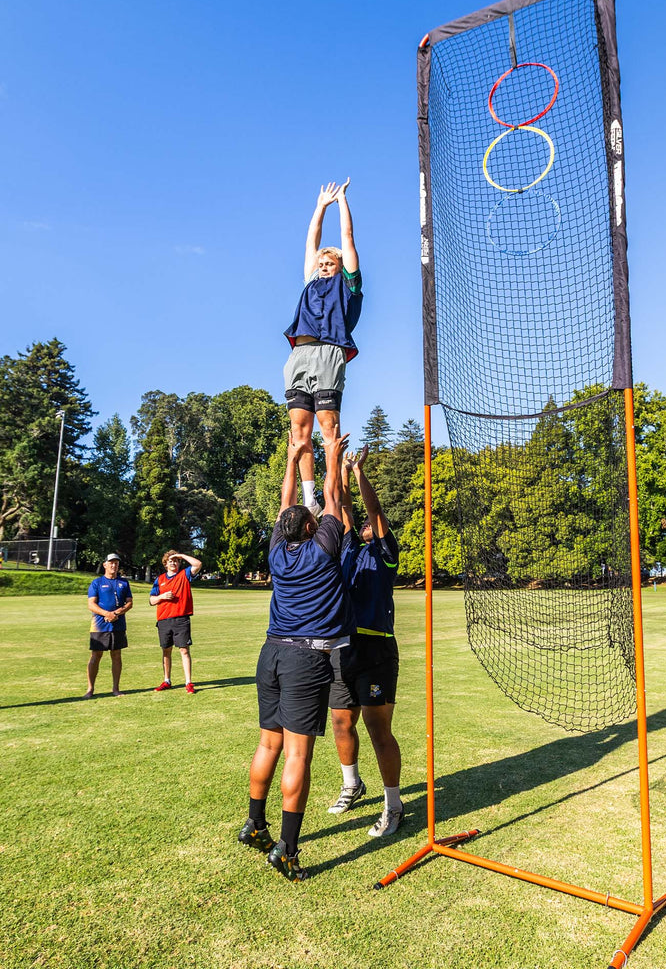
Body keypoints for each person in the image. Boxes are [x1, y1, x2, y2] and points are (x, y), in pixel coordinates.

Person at [237, 431, 357, 881]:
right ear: (309, 526)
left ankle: (255, 824)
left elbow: (289, 501)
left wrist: (292, 460)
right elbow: (331, 495)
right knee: (297, 756)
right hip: (306, 660)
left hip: (270, 653)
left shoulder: (276, 552)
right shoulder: (324, 547)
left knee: (268, 742)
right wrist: (330, 454)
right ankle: (286, 848)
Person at [328, 445, 404, 838]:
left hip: (377, 650)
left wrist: (358, 473)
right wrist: (340, 469)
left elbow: (372, 512)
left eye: (373, 526)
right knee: (342, 723)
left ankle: (394, 806)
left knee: (378, 730)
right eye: (363, 527)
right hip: (342, 646)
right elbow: (341, 508)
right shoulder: (349, 550)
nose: (367, 527)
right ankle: (352, 784)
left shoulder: (385, 554)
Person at [283, 180, 362, 517]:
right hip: (299, 356)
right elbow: (310, 242)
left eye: (329, 262)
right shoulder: (311, 282)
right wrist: (320, 206)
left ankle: (333, 496)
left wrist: (341, 201)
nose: (323, 265)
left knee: (328, 428)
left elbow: (348, 239)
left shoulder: (348, 285)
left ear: (340, 266)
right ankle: (310, 498)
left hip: (329, 354)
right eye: (321, 263)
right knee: (299, 433)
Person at [149, 550, 202, 694]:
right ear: (165, 564)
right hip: (164, 619)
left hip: (181, 619)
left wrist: (181, 555)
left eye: (175, 561)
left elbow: (197, 564)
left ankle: (188, 682)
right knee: (166, 651)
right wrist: (162, 596)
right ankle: (167, 680)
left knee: (184, 650)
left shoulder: (184, 575)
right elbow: (151, 600)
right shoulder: (159, 579)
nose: (173, 563)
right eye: (170, 561)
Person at [85, 553, 133, 698]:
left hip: (118, 625)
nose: (114, 565)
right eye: (111, 562)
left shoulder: (124, 583)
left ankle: (116, 688)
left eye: (116, 563)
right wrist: (107, 614)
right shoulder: (97, 583)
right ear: (105, 564)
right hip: (99, 625)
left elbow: (129, 602)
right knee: (96, 655)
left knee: (116, 655)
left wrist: (118, 612)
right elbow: (91, 604)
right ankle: (90, 689)